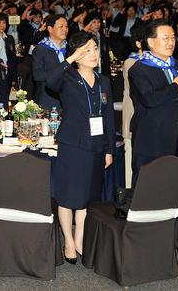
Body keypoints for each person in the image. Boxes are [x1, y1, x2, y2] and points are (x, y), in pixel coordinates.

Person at [46, 31, 115, 263]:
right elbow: (49, 81)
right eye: (87, 50)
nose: (93, 54)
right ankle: (67, 240)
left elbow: (108, 117)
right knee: (68, 195)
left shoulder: (104, 80)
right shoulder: (67, 78)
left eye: (95, 49)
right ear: (76, 54)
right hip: (73, 144)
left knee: (87, 196)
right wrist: (70, 58)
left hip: (96, 144)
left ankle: (80, 237)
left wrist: (109, 149)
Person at [129, 20, 178, 186]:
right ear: (150, 42)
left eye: (173, 37)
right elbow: (150, 99)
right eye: (165, 38)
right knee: (148, 181)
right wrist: (175, 87)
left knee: (172, 180)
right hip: (151, 135)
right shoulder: (139, 69)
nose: (171, 42)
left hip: (176, 132)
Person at [121, 25, 146, 188]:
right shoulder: (131, 62)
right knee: (131, 154)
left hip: (149, 118)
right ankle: (130, 196)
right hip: (134, 115)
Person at [32, 14, 69, 110]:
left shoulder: (70, 48)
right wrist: (61, 72)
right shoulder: (41, 49)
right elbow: (37, 75)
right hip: (48, 98)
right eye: (61, 26)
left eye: (66, 26)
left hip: (68, 97)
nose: (64, 29)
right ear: (50, 29)